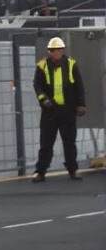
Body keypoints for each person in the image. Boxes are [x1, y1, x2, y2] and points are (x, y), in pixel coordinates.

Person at [33, 36, 85, 182]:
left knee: (69, 142)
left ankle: (73, 170)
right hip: (50, 111)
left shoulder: (71, 64)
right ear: (50, 51)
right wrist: (44, 100)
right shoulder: (42, 66)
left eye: (60, 50)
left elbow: (79, 86)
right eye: (55, 50)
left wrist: (81, 105)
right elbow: (37, 85)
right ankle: (40, 171)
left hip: (67, 110)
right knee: (46, 144)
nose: (58, 52)